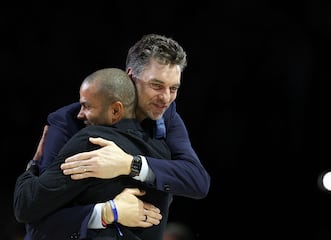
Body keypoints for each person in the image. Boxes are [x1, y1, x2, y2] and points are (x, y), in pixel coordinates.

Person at [21, 33, 211, 239]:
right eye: (156, 85)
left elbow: (198, 181)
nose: (166, 98)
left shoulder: (167, 114)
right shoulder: (68, 122)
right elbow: (36, 224)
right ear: (131, 77)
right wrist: (108, 212)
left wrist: (131, 164)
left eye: (173, 88)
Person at [14, 67, 173, 240]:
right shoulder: (162, 151)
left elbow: (25, 206)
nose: (80, 114)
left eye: (86, 106)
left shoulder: (91, 142)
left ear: (115, 111)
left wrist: (33, 165)